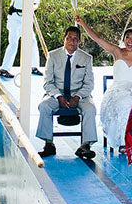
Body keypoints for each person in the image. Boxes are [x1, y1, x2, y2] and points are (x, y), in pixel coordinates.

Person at [75, 15, 132, 153]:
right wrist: (83, 23)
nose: (130, 40)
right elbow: (98, 39)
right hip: (117, 90)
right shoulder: (117, 51)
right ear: (124, 40)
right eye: (127, 37)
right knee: (124, 105)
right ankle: (124, 142)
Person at [37, 26, 97, 159]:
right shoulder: (53, 56)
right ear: (64, 38)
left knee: (91, 108)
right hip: (56, 93)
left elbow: (89, 83)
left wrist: (77, 97)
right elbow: (48, 82)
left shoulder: (86, 58)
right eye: (69, 38)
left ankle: (85, 146)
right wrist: (58, 96)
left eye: (75, 39)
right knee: (44, 106)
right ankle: (49, 144)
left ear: (79, 42)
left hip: (79, 94)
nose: (72, 41)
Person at [0, 0, 41, 79]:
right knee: (13, 43)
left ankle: (34, 67)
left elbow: (36, 4)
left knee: (33, 42)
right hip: (15, 17)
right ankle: (4, 69)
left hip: (27, 18)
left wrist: (32, 8)